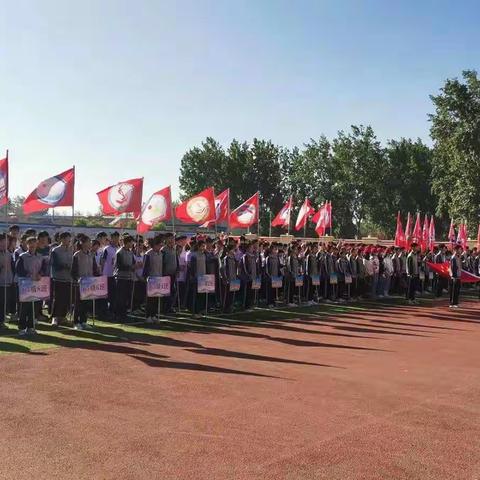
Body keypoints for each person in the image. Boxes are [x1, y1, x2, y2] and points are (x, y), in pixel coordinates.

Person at [16, 236, 48, 335]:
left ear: (36, 244)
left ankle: (30, 327)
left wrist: (40, 274)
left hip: (36, 286)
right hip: (25, 285)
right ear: (27, 244)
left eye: (34, 244)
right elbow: (18, 270)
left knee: (33, 307)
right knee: (24, 307)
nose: (32, 246)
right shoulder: (22, 256)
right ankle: (21, 328)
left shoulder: (40, 256)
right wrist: (29, 275)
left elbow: (44, 268)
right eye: (30, 244)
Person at [71, 236, 98, 330]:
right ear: (82, 243)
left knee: (87, 303)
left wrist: (97, 277)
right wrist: (77, 278)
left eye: (90, 242)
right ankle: (76, 322)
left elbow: (94, 269)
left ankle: (83, 321)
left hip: (89, 283)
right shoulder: (77, 255)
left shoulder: (91, 255)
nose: (90, 244)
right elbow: (73, 271)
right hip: (79, 283)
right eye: (88, 242)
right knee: (78, 304)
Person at [50, 231, 73, 326]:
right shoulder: (55, 250)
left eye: (69, 239)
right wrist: (65, 266)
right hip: (58, 278)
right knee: (58, 298)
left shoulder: (71, 250)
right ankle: (55, 317)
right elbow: (54, 264)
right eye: (67, 239)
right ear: (62, 239)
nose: (69, 241)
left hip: (68, 278)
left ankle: (63, 317)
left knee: (66, 299)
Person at [113, 235, 135, 322]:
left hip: (128, 278)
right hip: (120, 278)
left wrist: (135, 266)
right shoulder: (119, 252)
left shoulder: (130, 252)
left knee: (126, 297)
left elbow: (133, 263)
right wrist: (131, 267)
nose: (132, 244)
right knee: (120, 298)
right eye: (131, 242)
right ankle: (118, 315)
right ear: (127, 242)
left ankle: (124, 314)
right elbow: (119, 266)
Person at [143, 236, 163, 323]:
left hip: (159, 278)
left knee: (156, 298)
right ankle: (148, 316)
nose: (160, 247)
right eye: (159, 245)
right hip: (151, 278)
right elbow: (145, 267)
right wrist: (146, 277)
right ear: (154, 245)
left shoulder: (161, 254)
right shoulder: (148, 254)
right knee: (150, 299)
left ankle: (154, 315)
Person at [0, 233, 14, 328]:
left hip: (7, 280)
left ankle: (1, 321)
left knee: (3, 302)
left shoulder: (9, 253)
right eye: (3, 242)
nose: (6, 244)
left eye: (7, 242)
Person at [161, 233, 178, 314]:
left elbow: (176, 261)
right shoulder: (163, 250)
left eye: (173, 238)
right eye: (170, 238)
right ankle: (164, 308)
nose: (172, 240)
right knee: (166, 292)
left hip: (173, 274)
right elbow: (162, 263)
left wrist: (177, 269)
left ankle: (169, 307)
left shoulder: (174, 249)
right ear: (166, 240)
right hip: (166, 274)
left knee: (173, 291)